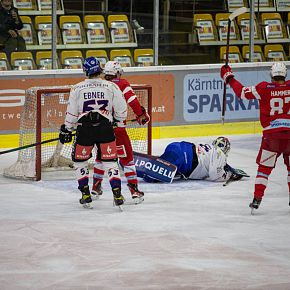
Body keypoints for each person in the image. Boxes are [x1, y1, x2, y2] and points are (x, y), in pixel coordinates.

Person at [59, 57, 127, 209]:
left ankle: (85, 194)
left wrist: (68, 128)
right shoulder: (111, 86)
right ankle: (117, 193)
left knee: (79, 161)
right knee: (110, 162)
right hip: (105, 128)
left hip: (85, 129)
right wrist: (118, 120)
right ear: (99, 69)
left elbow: (71, 112)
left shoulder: (77, 88)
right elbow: (121, 108)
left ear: (85, 71)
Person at [221, 62, 290, 210]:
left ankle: (257, 199)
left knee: (264, 169)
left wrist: (228, 77)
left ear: (271, 75)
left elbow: (241, 92)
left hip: (272, 137)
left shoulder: (264, 88)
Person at [92, 60, 150, 203]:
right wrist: (141, 115)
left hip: (98, 129)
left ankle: (95, 187)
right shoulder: (122, 83)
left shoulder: (97, 84)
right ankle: (134, 191)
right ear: (117, 72)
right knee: (127, 159)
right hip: (117, 130)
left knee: (101, 157)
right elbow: (133, 101)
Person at [142, 137, 239, 183]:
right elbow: (214, 175)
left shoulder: (209, 147)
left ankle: (132, 164)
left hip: (177, 147)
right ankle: (133, 168)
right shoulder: (220, 153)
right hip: (183, 159)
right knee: (149, 175)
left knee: (156, 165)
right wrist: (228, 176)